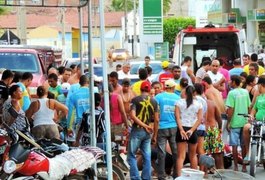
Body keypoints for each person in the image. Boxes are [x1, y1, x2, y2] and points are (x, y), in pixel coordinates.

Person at [127, 81, 158, 180]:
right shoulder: (154, 101)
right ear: (149, 90)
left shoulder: (135, 100)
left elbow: (132, 115)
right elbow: (157, 119)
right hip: (148, 132)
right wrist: (155, 135)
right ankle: (146, 178)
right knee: (147, 156)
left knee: (131, 155)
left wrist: (144, 125)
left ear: (140, 89)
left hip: (137, 130)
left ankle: (136, 177)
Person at [154, 79, 180, 179]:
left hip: (162, 127)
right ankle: (176, 173)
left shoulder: (158, 97)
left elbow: (155, 111)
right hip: (174, 127)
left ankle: (161, 175)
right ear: (173, 88)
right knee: (175, 152)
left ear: (165, 87)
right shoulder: (177, 98)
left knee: (161, 152)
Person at [175, 85, 202, 177]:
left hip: (181, 129)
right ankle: (194, 176)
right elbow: (199, 120)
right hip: (192, 130)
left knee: (180, 156)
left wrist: (181, 129)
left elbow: (177, 118)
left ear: (185, 93)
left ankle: (179, 177)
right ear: (194, 93)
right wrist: (191, 130)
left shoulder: (179, 102)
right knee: (193, 155)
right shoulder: (198, 104)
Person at [225, 75, 251, 172]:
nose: (229, 83)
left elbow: (231, 109)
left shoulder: (232, 93)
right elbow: (249, 107)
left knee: (234, 145)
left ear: (234, 82)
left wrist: (228, 122)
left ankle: (236, 166)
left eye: (230, 81)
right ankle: (244, 167)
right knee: (243, 145)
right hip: (244, 122)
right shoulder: (245, 92)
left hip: (235, 122)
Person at [243, 76, 265, 165]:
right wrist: (251, 116)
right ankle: (248, 152)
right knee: (246, 127)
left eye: (258, 85)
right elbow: (253, 110)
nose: (257, 87)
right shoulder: (259, 97)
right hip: (258, 122)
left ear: (262, 85)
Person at [67, 75, 90, 142]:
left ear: (79, 83)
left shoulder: (74, 95)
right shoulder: (93, 93)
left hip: (80, 123)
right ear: (88, 82)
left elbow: (70, 113)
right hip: (92, 121)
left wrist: (69, 127)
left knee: (80, 143)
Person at [203, 97, 224, 169]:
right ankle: (221, 170)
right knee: (218, 153)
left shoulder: (197, 102)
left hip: (203, 129)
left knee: (203, 152)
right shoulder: (212, 103)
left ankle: (205, 173)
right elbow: (219, 118)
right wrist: (220, 128)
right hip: (213, 128)